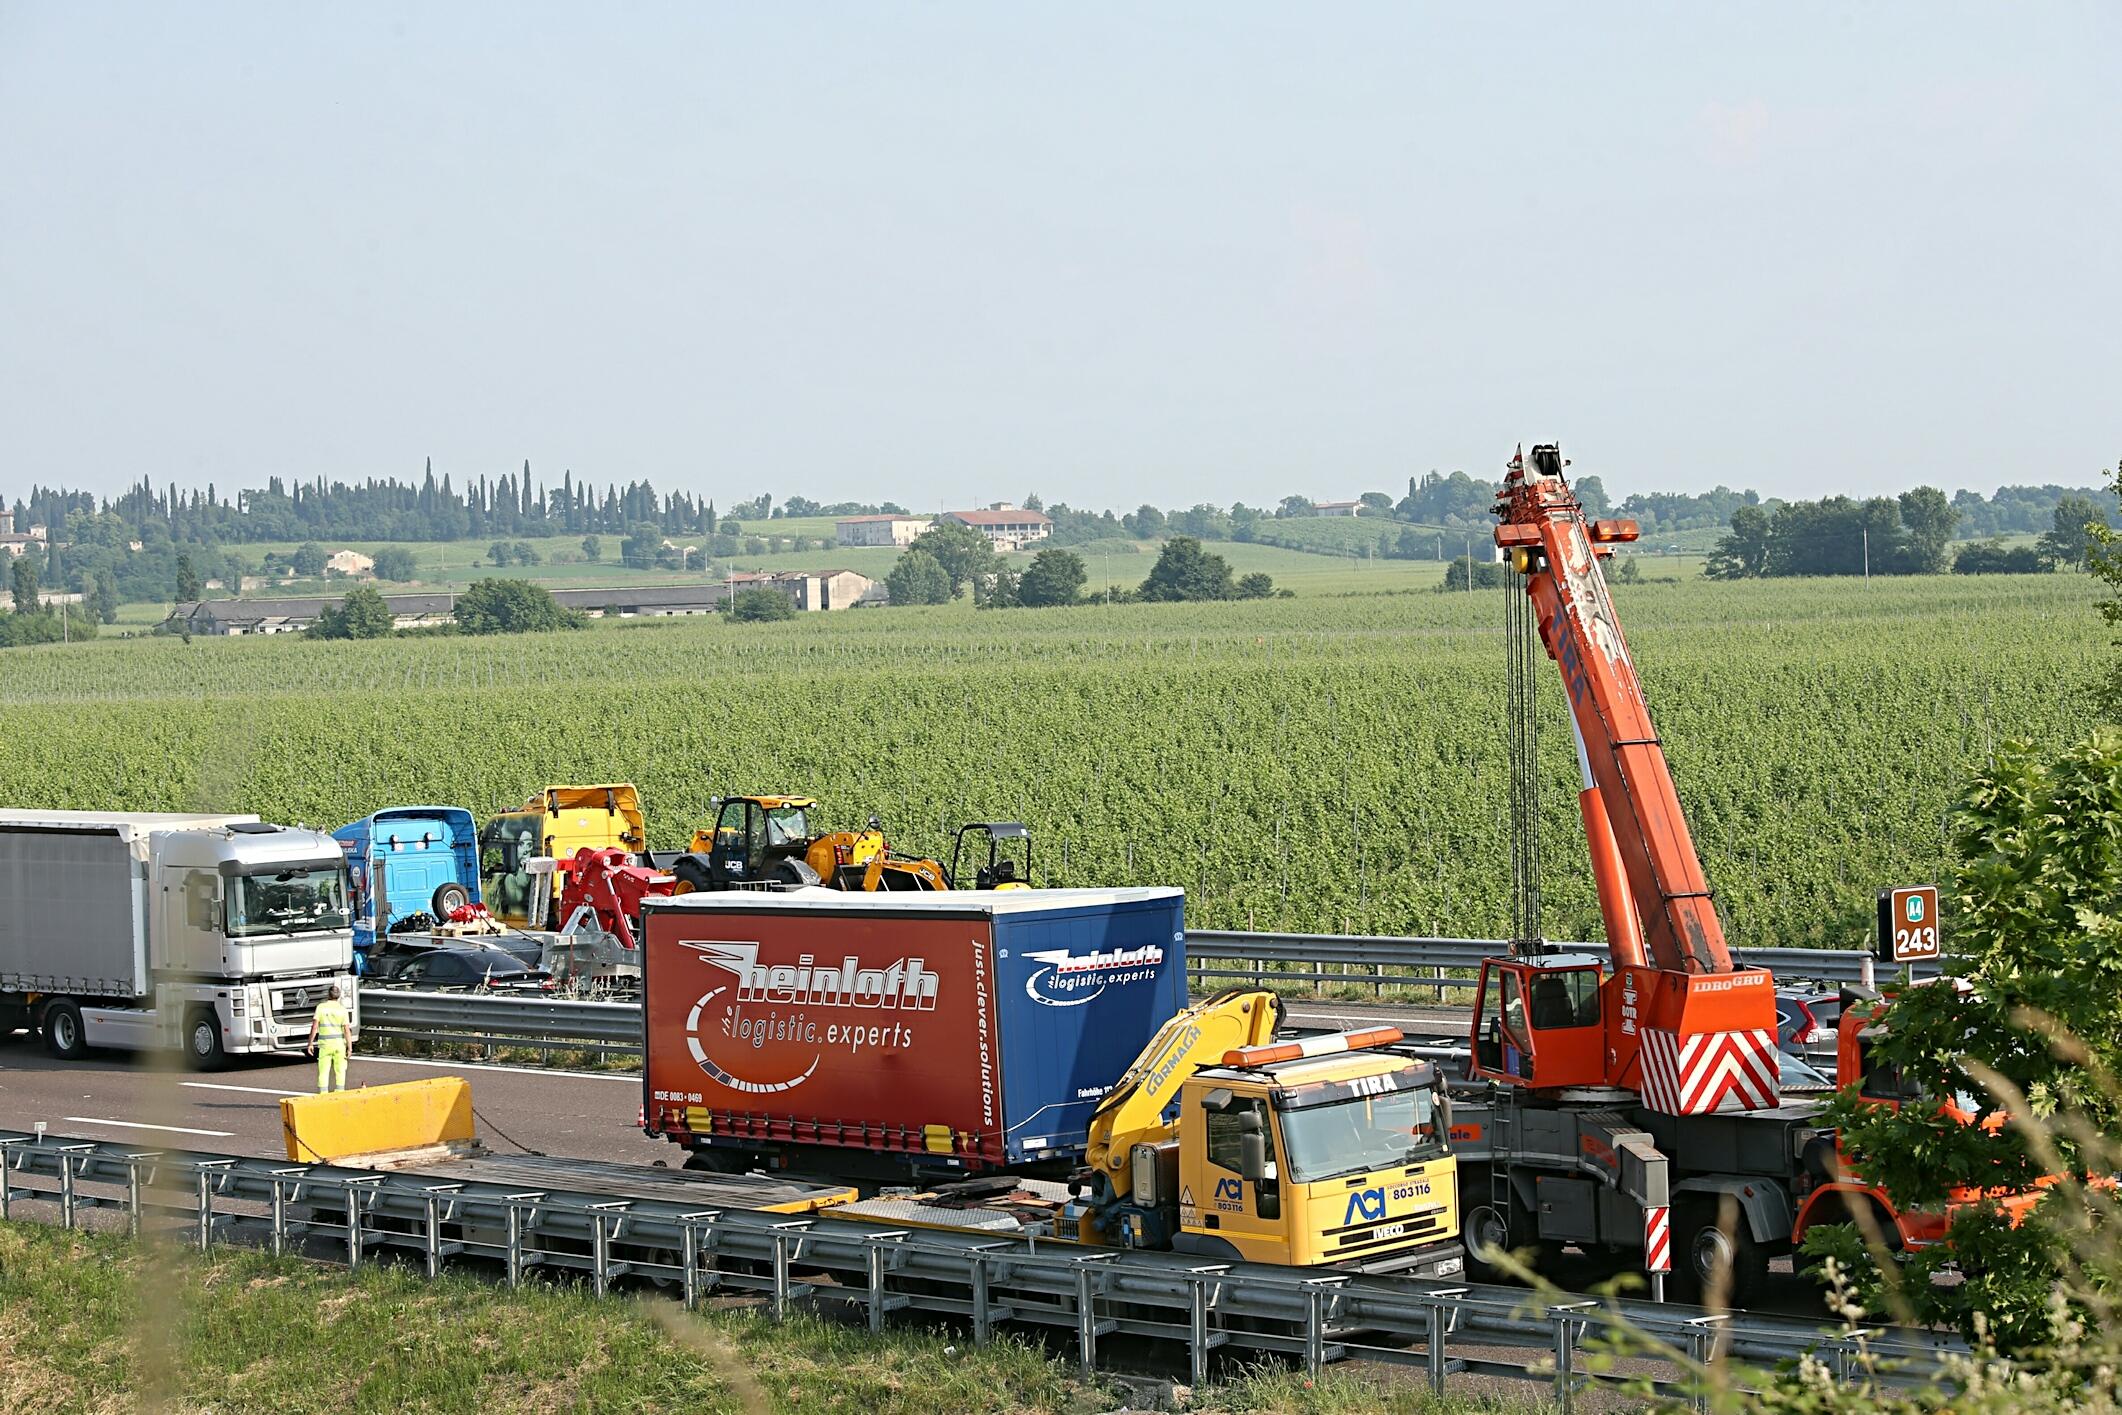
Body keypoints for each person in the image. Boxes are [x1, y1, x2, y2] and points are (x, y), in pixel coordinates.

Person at [307, 984, 354, 1093]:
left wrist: (310, 1043)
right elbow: (347, 1030)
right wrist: (349, 1048)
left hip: (325, 1045)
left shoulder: (321, 1007)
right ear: (339, 996)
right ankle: (339, 1094)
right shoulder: (342, 1010)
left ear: (328, 994)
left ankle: (323, 1095)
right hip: (339, 1045)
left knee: (323, 1071)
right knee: (340, 1071)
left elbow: (314, 1027)